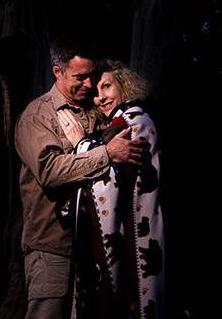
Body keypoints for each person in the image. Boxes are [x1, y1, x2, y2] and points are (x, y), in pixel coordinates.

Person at [15, 43, 149, 319]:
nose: (89, 84)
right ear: (58, 72)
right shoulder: (38, 115)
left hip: (96, 243)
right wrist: (105, 153)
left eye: (91, 75)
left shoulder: (97, 108)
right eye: (80, 77)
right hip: (54, 246)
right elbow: (50, 171)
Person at [56, 60, 165, 319]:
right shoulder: (116, 123)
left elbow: (105, 161)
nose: (100, 98)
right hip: (126, 233)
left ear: (124, 86)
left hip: (135, 235)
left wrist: (80, 142)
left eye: (107, 87)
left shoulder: (133, 117)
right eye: (95, 93)